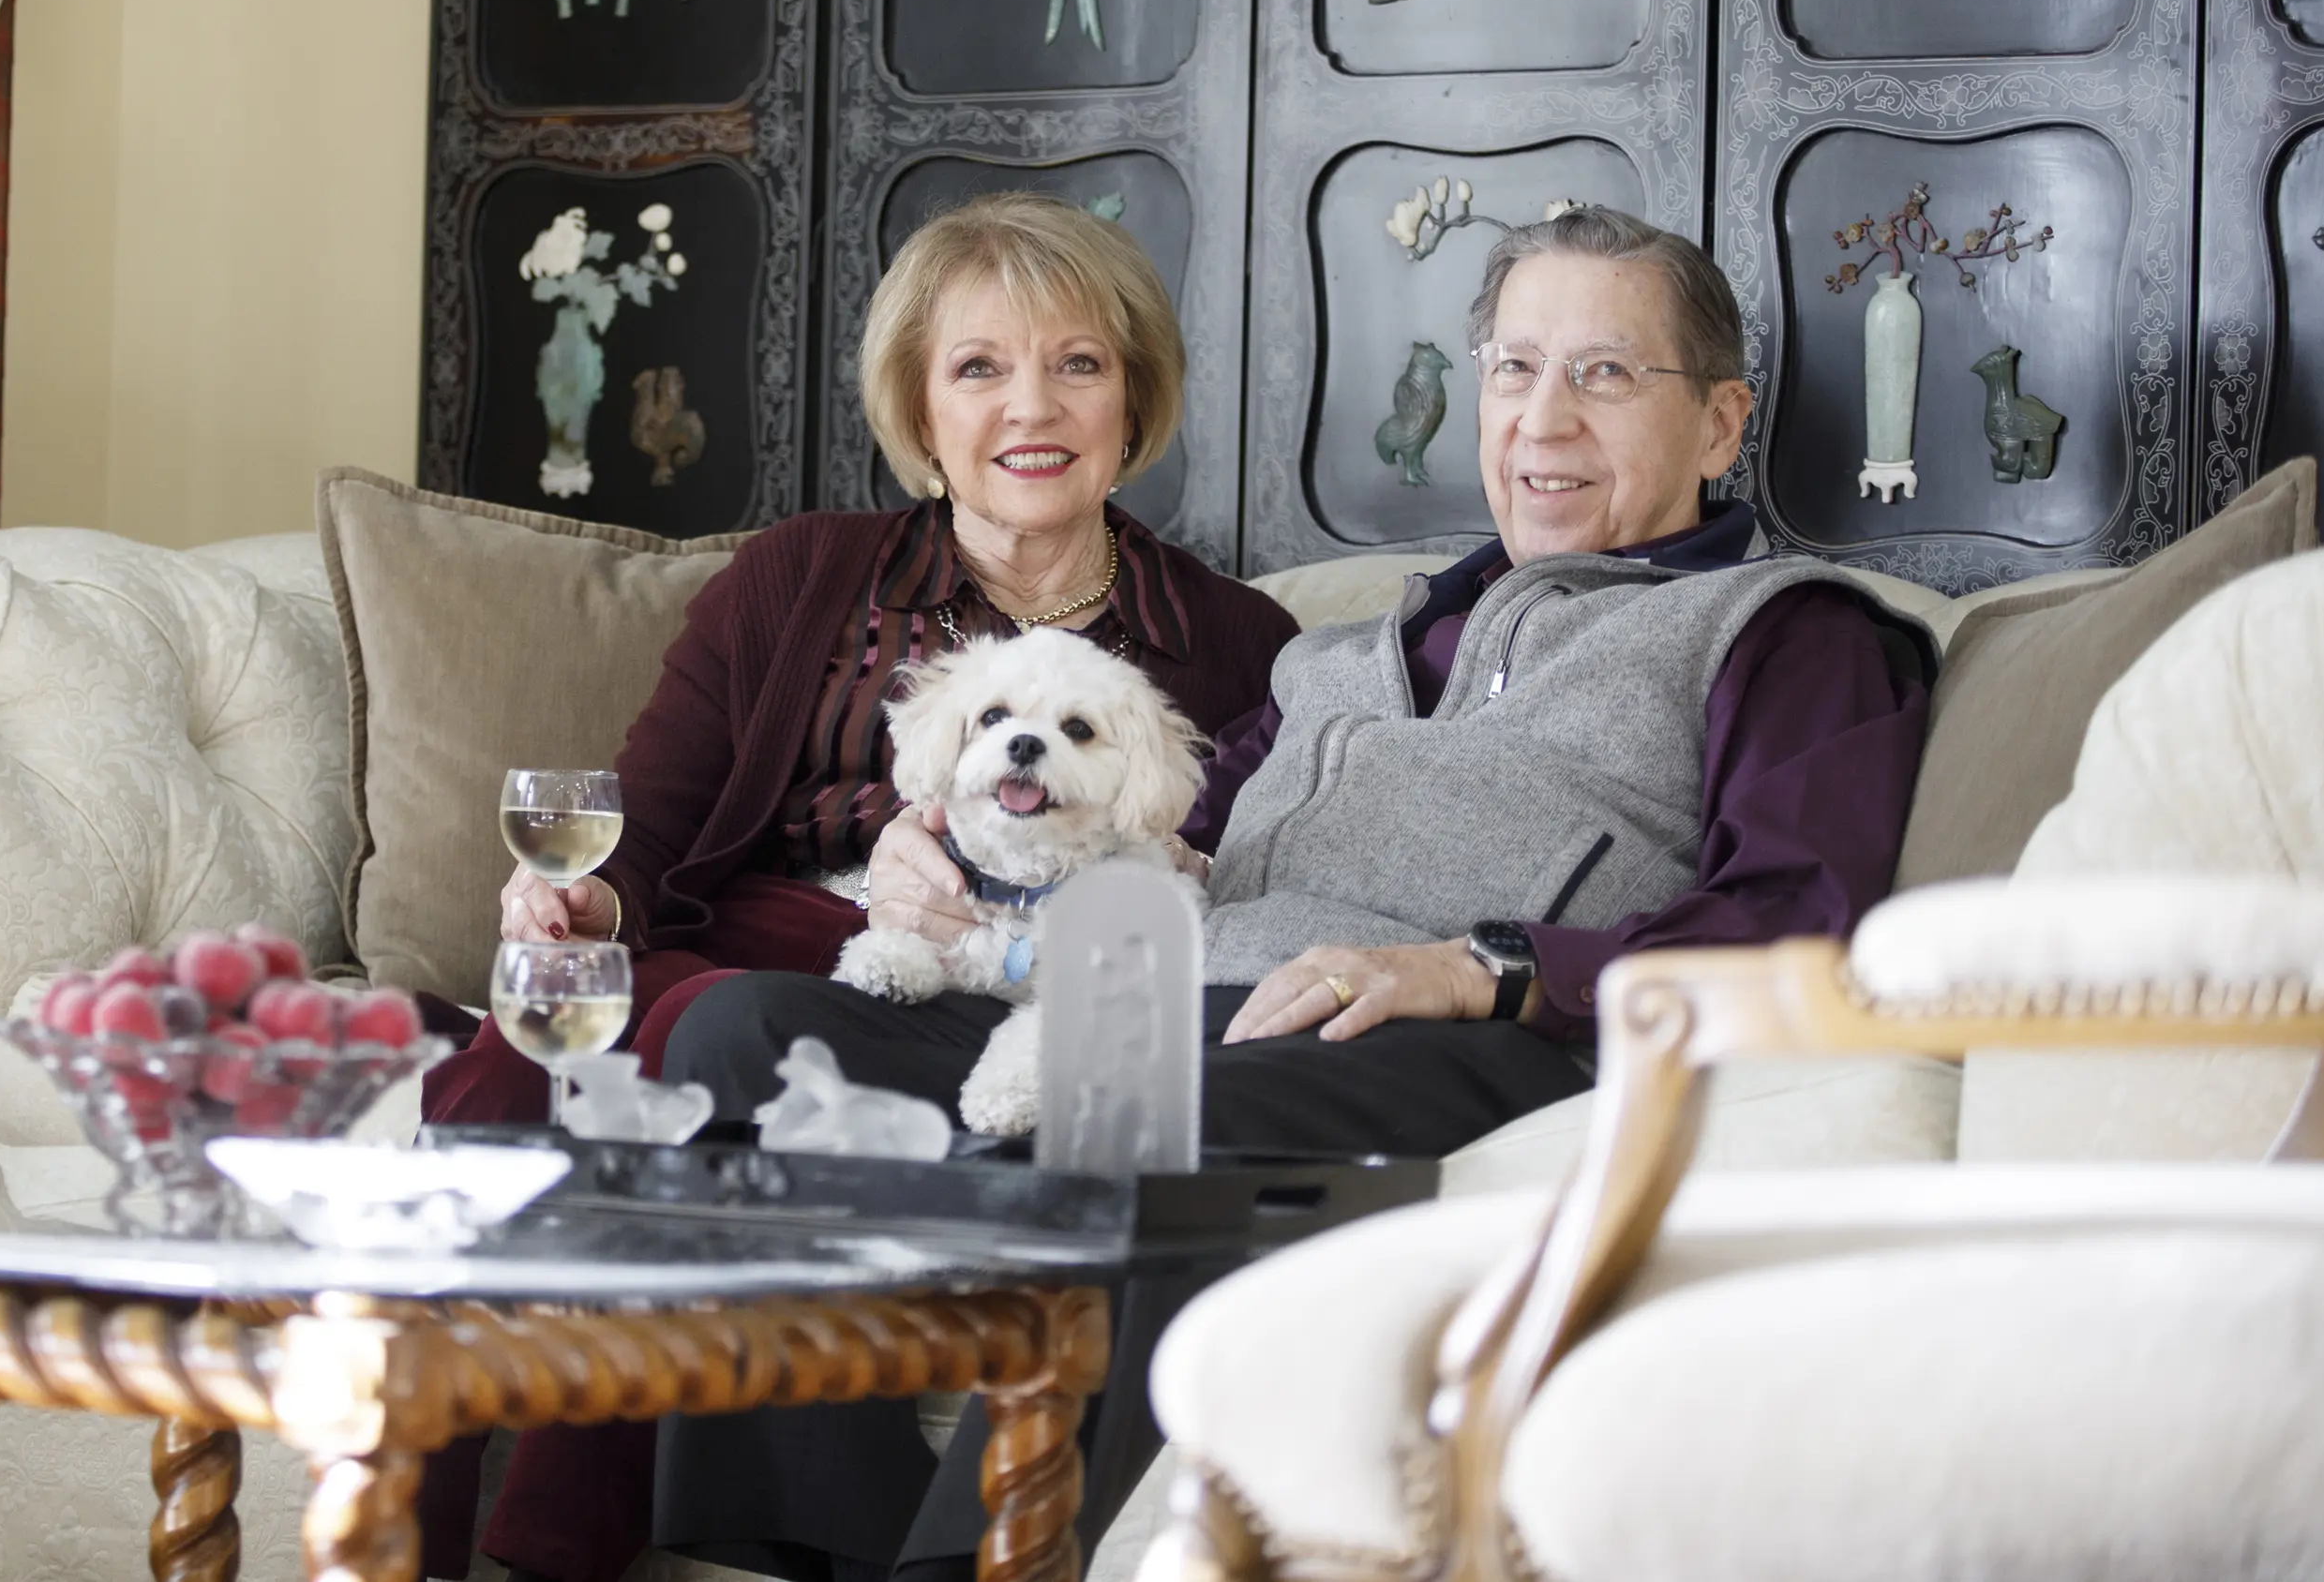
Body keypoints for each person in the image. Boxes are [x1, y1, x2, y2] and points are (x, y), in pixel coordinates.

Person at [649, 205, 1938, 1582]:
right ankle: (824, 1550)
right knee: (747, 1034)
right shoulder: (1349, 650)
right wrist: (957, 861)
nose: (1544, 418)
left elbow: (1797, 917)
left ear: (1722, 425)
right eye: (1514, 369)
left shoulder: (1786, 635)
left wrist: (1489, 967)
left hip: (1449, 1035)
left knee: (1149, 1115)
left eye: (1605, 374)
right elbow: (1165, 841)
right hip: (1178, 1001)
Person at [413, 190, 1302, 1582]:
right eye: (980, 366)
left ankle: (547, 1554)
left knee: (682, 1038)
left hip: (968, 1004)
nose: (1032, 406)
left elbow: (1236, 886)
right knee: (524, 1045)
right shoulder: (801, 576)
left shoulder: (1235, 644)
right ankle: (399, 1543)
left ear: (1132, 400)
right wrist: (579, 902)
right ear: (919, 407)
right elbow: (648, 819)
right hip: (744, 937)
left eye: (1078, 363)